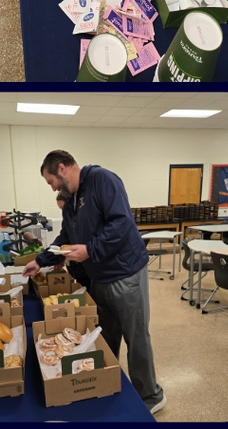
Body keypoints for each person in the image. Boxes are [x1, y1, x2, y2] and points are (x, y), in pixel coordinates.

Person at [21, 150, 166, 415]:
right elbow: (65, 234)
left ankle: (151, 395)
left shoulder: (102, 180)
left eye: (50, 181)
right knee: (105, 334)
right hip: (99, 276)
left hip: (125, 274)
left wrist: (90, 249)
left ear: (62, 169)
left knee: (136, 337)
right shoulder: (72, 199)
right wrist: (41, 260)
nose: (52, 187)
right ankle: (105, 380)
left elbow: (122, 223)